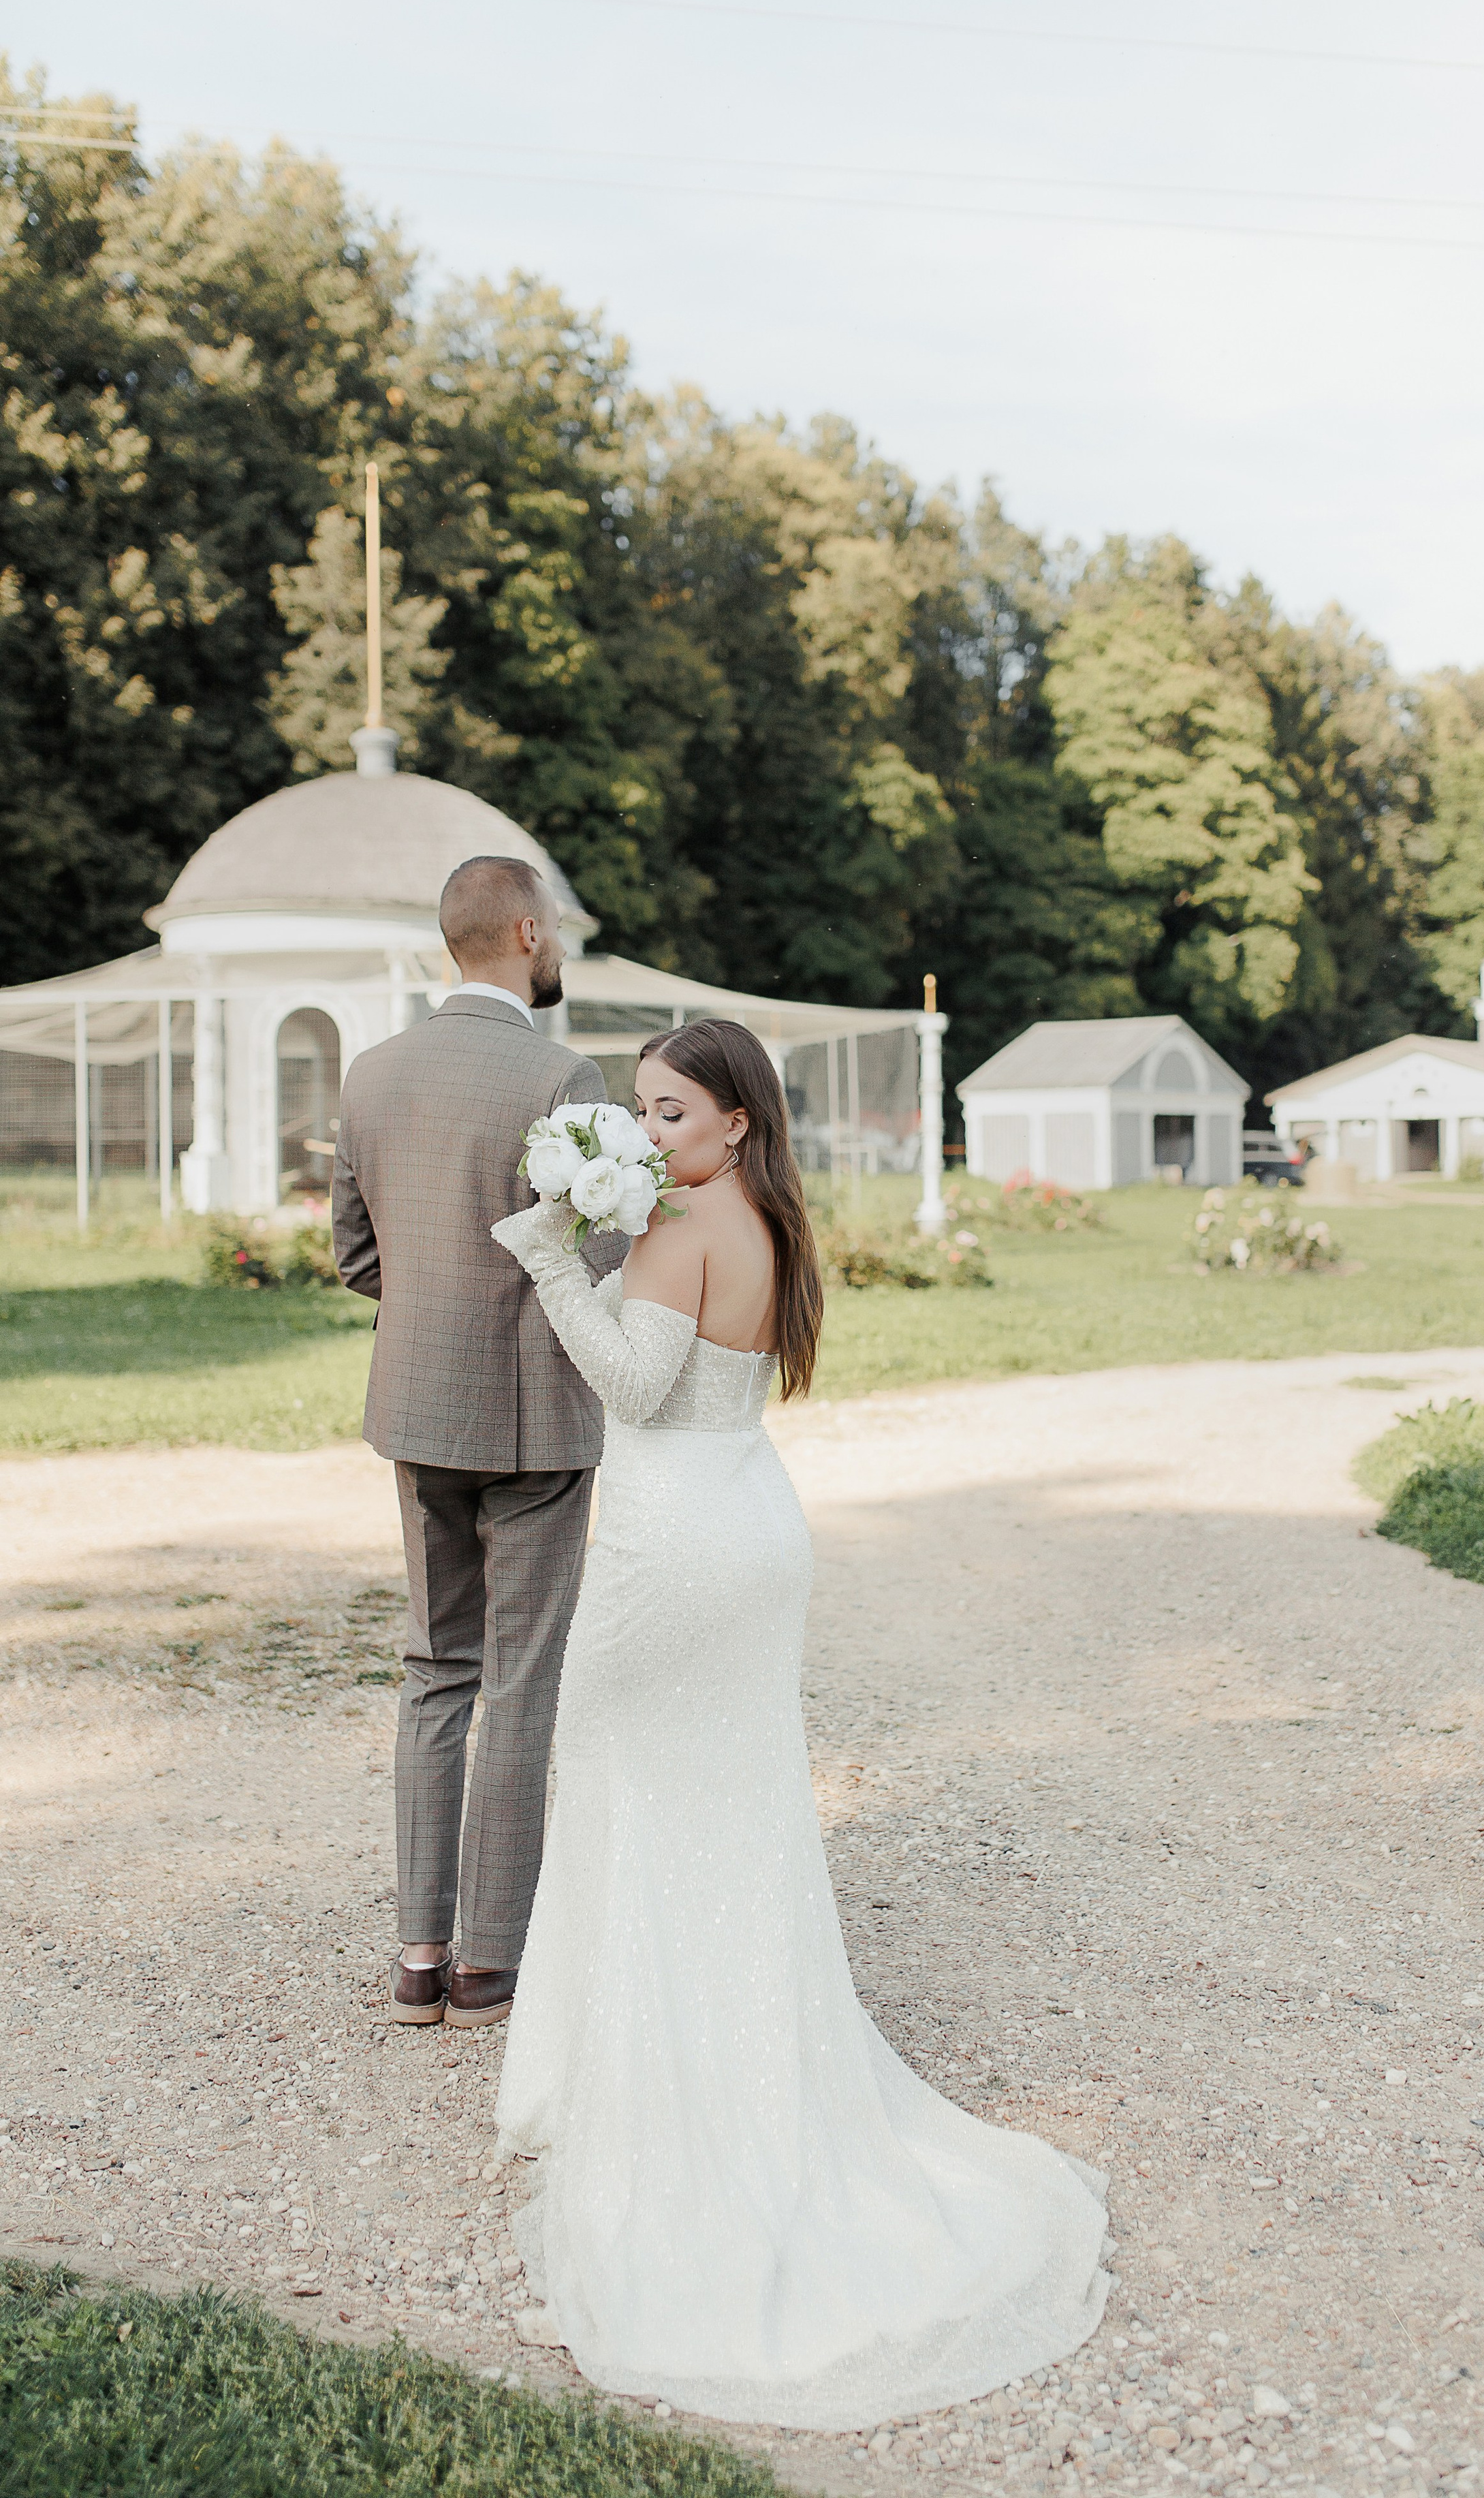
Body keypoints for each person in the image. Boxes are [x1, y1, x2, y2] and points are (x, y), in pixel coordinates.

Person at [488, 1017, 1107, 2431]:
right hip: (748, 1520)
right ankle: (722, 2064)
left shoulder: (684, 1225)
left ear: (733, 1124)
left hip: (674, 1543)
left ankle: (658, 2109)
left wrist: (545, 1258)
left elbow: (634, 1391)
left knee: (621, 1794)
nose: (646, 1136)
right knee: (731, 1816)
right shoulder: (764, 1217)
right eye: (635, 1113)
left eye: (664, 1113)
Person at [331, 854, 626, 2031]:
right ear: (520, 930)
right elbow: (598, 1256)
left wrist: (435, 1313)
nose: (556, 945)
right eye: (549, 927)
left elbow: (358, 1259)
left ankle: (416, 1959)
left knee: (434, 1672)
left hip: (418, 1413)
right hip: (541, 1422)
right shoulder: (567, 1076)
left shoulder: (372, 1075)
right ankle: (490, 1967)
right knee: (520, 1683)